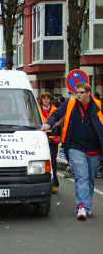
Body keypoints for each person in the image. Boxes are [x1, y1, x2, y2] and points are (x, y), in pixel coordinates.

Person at [42, 83, 103, 220]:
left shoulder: (98, 105)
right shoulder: (70, 103)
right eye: (77, 93)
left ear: (89, 93)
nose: (78, 95)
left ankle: (87, 205)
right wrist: (49, 124)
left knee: (90, 179)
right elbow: (56, 114)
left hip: (94, 150)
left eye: (81, 92)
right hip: (75, 147)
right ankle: (82, 207)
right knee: (82, 176)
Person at [39, 92, 61, 193]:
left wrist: (56, 123)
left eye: (48, 98)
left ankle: (55, 184)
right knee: (42, 162)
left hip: (53, 139)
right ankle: (42, 184)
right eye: (44, 98)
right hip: (41, 139)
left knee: (52, 161)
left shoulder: (55, 109)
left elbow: (62, 118)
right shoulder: (37, 109)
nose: (46, 100)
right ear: (41, 100)